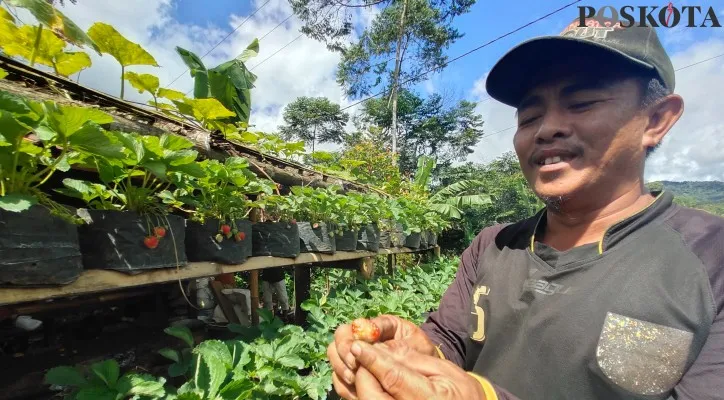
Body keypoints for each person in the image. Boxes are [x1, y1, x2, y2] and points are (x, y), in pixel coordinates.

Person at [327, 15, 724, 400]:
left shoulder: (711, 260)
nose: (546, 128)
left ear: (656, 119)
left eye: (581, 103)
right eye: (530, 116)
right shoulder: (493, 246)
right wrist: (422, 352)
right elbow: (450, 339)